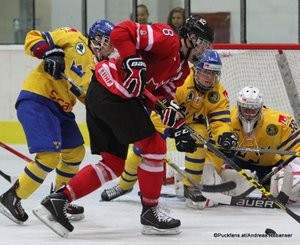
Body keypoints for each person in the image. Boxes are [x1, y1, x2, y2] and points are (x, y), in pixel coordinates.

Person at [32, 15, 215, 237]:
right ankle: (150, 212)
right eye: (203, 43)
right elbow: (121, 31)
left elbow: (159, 97)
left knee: (113, 164)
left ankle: (58, 199)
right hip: (114, 92)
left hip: (103, 94)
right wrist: (130, 59)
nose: (204, 51)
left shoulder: (183, 71)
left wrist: (176, 122)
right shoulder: (168, 39)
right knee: (154, 146)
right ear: (192, 37)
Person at [0, 19, 115, 225]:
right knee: (49, 157)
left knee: (76, 152)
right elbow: (33, 38)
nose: (110, 47)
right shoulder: (73, 37)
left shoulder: (98, 70)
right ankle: (12, 197)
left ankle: (57, 199)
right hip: (38, 99)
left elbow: (89, 99)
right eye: (108, 41)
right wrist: (48, 52)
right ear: (96, 37)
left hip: (62, 110)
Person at [101, 50, 238, 210]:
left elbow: (220, 120)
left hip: (191, 124)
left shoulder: (218, 93)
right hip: (163, 119)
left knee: (200, 136)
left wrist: (224, 135)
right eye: (206, 72)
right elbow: (161, 109)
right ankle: (125, 185)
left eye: (214, 73)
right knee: (141, 148)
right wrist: (174, 131)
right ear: (197, 70)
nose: (209, 78)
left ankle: (191, 186)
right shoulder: (182, 82)